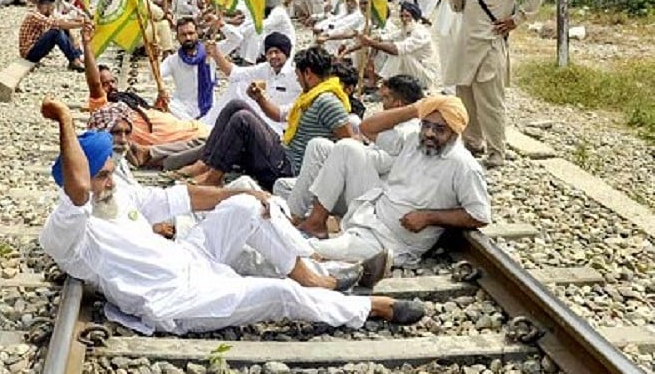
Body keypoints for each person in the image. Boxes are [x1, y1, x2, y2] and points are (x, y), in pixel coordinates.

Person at [39, 97, 426, 335]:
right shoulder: (68, 232)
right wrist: (64, 118)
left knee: (246, 206)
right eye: (102, 176)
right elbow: (78, 187)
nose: (110, 181)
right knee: (278, 294)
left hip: (192, 257)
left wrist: (240, 192)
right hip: (180, 298)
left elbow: (182, 196)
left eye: (110, 173)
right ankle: (370, 308)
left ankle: (315, 275)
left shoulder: (120, 194)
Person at [305, 96, 490, 270]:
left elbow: (480, 215)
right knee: (346, 147)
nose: (429, 133)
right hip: (370, 214)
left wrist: (428, 217)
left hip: (391, 242)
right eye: (426, 125)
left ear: (454, 134)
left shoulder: (463, 166)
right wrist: (413, 110)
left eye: (439, 129)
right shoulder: (414, 140)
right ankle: (315, 223)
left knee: (311, 250)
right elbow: (367, 128)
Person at [444, 0, 547, 167]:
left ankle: (496, 152)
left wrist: (517, 18)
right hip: (467, 45)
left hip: (489, 45)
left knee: (490, 102)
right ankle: (472, 143)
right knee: (466, 98)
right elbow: (461, 7)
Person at [179, 47, 352, 190]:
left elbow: (350, 144)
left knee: (243, 119)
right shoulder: (310, 97)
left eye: (298, 75)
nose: (297, 79)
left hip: (287, 167)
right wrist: (259, 99)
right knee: (236, 105)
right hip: (283, 150)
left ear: (308, 73)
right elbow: (279, 114)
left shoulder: (327, 102)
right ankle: (204, 163)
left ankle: (213, 178)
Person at [275, 75, 425, 234]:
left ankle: (300, 217)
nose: (382, 103)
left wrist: (354, 151)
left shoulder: (410, 130)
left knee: (341, 148)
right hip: (359, 183)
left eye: (386, 98)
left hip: (374, 198)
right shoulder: (394, 124)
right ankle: (315, 216)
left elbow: (380, 163)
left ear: (398, 103)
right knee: (284, 184)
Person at [203, 32, 299, 133]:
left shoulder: (295, 74)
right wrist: (216, 54)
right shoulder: (267, 68)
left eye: (277, 52)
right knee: (238, 87)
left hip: (280, 129)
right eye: (269, 53)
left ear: (286, 53)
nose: (273, 56)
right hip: (265, 121)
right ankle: (208, 125)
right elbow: (235, 73)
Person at [349, 1, 438, 90]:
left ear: (415, 18)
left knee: (399, 53)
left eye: (407, 16)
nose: (404, 19)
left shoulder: (420, 33)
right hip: (412, 70)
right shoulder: (404, 30)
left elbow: (398, 49)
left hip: (425, 76)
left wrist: (371, 43)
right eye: (402, 16)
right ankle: (379, 82)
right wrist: (363, 44)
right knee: (386, 47)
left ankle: (383, 83)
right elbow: (381, 38)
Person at [160, 18, 216, 121]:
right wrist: (154, 58)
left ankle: (194, 125)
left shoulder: (210, 51)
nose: (188, 38)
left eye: (191, 33)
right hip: (183, 108)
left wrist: (222, 25)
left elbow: (236, 39)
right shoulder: (173, 60)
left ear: (197, 33)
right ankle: (193, 125)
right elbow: (155, 75)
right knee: (166, 105)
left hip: (209, 105)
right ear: (177, 37)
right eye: (183, 35)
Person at [18, 0, 86, 70]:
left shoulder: (42, 15)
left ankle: (78, 56)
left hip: (34, 49)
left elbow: (61, 21)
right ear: (45, 6)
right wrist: (81, 25)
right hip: (29, 54)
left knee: (63, 29)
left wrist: (74, 36)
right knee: (56, 32)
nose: (52, 12)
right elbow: (57, 24)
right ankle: (74, 60)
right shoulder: (34, 15)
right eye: (51, 9)